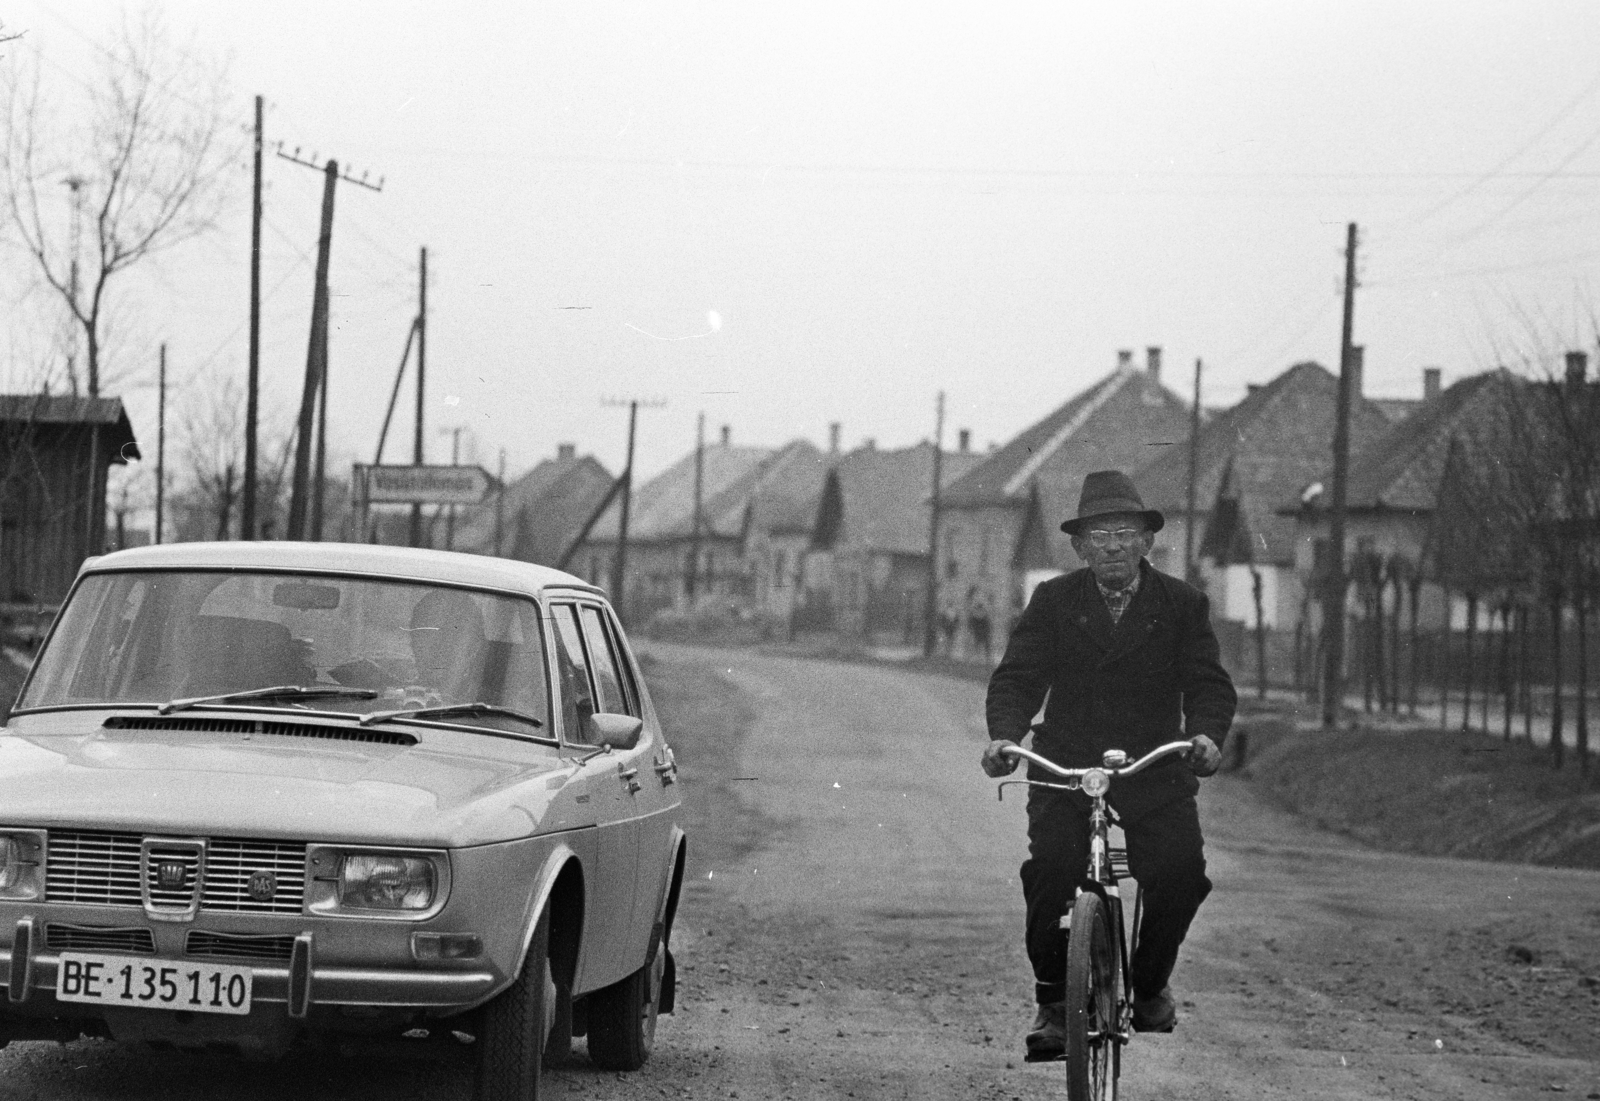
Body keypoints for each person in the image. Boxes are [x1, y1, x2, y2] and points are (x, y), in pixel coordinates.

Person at [980, 469, 1234, 1058]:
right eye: (1099, 535)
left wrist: (1205, 736)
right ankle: (1053, 1005)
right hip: (1067, 761)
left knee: (1177, 874)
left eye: (1124, 533)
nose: (1113, 545)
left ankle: (1147, 986)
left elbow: (1208, 685)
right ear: (1079, 547)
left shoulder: (1182, 604)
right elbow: (1018, 678)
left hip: (1152, 764)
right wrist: (1004, 738)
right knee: (1050, 872)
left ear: (1147, 541)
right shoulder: (1053, 601)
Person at [405, 588, 488, 702]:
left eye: (451, 638)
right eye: (428, 633)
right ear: (413, 642)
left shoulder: (494, 712)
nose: (439, 651)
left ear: (473, 649)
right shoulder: (385, 700)